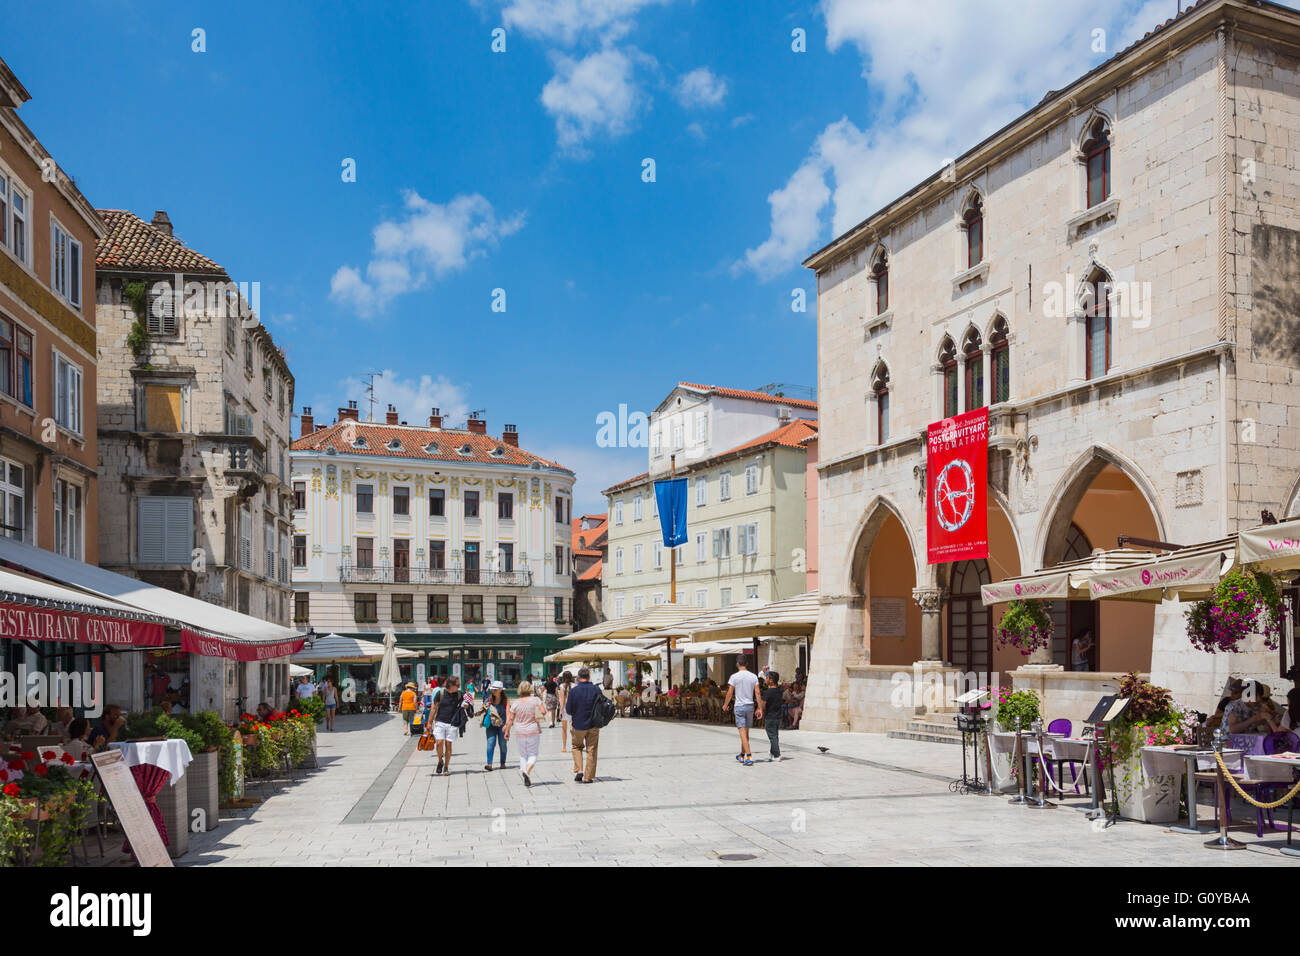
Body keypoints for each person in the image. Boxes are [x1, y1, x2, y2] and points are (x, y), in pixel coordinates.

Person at [505, 679, 548, 787]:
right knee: (533, 754)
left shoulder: (515, 703)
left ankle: (524, 771)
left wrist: (507, 731)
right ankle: (527, 771)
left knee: (523, 754)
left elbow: (510, 719)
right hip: (533, 730)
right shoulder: (536, 700)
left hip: (520, 731)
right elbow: (543, 712)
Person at [431, 676, 473, 775]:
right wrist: (429, 722)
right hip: (440, 721)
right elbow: (433, 708)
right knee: (439, 743)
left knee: (448, 745)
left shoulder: (459, 694)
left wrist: (466, 705)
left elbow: (463, 703)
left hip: (452, 723)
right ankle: (440, 761)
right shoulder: (440, 694)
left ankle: (446, 767)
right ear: (450, 685)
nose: (459, 687)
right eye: (457, 685)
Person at [566, 667, 602, 783]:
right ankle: (588, 777)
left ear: (578, 677)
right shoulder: (596, 689)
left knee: (576, 747)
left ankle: (579, 770)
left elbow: (569, 710)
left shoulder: (573, 691)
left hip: (578, 725)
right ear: (589, 677)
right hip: (593, 724)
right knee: (591, 750)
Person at [723, 659, 761, 765]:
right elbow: (757, 693)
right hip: (750, 706)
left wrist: (725, 704)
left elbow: (730, 693)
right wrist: (760, 708)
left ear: (737, 664)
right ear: (747, 663)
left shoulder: (734, 677)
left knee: (742, 733)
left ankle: (749, 757)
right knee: (746, 732)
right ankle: (741, 755)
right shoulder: (753, 676)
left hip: (739, 706)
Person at [480, 681, 509, 771]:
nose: (493, 691)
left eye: (495, 690)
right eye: (493, 689)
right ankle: (489, 764)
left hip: (502, 725)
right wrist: (485, 707)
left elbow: (508, 714)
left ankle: (502, 763)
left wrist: (507, 727)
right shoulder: (488, 699)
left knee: (503, 744)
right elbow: (482, 710)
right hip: (491, 725)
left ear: (500, 690)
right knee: (490, 743)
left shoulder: (506, 700)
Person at [760, 671, 785, 761]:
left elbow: (762, 704)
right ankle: (772, 752)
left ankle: (777, 755)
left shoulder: (767, 692)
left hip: (770, 717)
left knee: (772, 736)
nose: (765, 679)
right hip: (778, 717)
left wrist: (759, 711)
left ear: (771, 680)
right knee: (775, 735)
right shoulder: (779, 691)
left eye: (767, 678)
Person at [558, 672, 574, 752]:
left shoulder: (562, 686)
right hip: (573, 708)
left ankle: (564, 747)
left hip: (565, 708)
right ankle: (575, 744)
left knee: (564, 729)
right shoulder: (575, 685)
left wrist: (560, 711)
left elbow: (563, 701)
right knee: (572, 726)